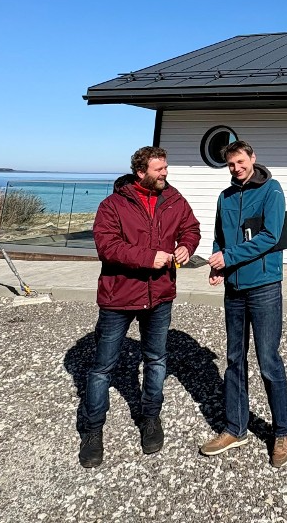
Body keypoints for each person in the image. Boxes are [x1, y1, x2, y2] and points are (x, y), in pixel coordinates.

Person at [76, 146, 201, 468]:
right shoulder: (112, 205)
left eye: (166, 167)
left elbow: (191, 228)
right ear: (141, 172)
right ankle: (92, 430)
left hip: (160, 295)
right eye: (159, 169)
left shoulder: (173, 199)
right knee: (102, 367)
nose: (165, 173)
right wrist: (148, 258)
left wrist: (186, 246)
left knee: (156, 360)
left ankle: (150, 418)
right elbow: (107, 246)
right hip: (118, 297)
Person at [199, 140, 287, 468]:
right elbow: (219, 237)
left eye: (241, 161)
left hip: (264, 286)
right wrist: (217, 265)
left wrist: (228, 257)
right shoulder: (225, 197)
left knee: (268, 361)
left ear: (253, 158)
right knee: (234, 360)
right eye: (231, 164)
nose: (237, 168)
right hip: (234, 289)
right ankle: (235, 428)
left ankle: (282, 431)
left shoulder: (272, 190)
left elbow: (270, 236)